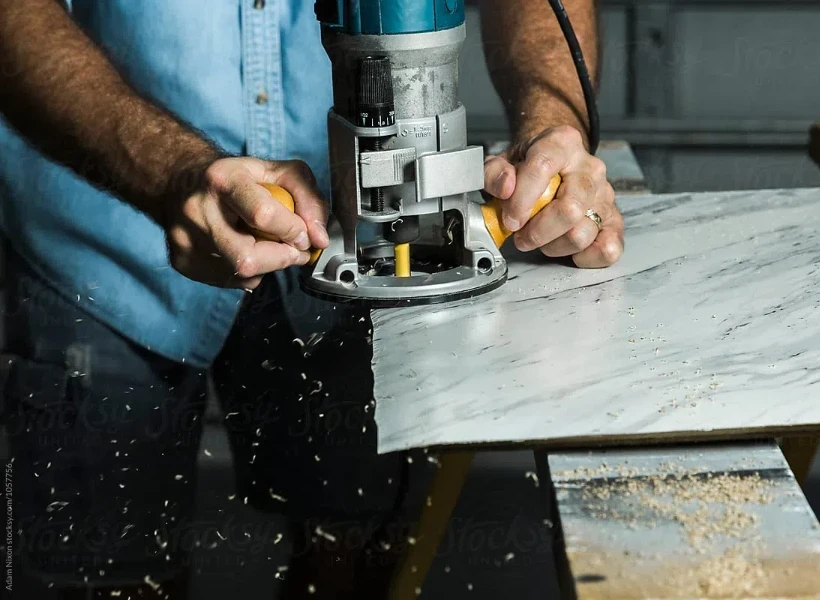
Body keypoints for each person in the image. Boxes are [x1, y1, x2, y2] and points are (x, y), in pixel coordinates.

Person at [0, 0, 624, 598]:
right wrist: (172, 170)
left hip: (354, 245)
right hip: (102, 237)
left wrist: (552, 127)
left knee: (352, 557)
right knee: (118, 577)